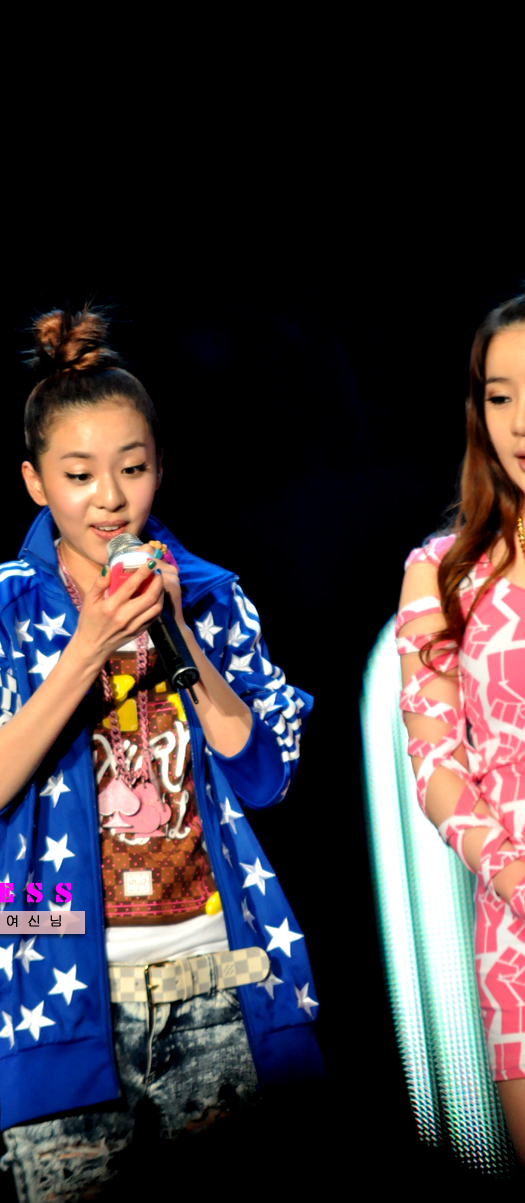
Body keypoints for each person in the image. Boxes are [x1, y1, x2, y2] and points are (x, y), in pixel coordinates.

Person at [0, 306, 323, 1200]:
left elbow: (264, 774)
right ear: (34, 482)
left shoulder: (210, 596)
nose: (109, 497)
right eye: (78, 474)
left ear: (159, 467)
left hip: (222, 982)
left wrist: (180, 632)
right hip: (62, 1001)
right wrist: (87, 643)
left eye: (131, 468)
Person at [397, 292, 525, 1166]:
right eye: (499, 395)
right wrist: (514, 877)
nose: (518, 422)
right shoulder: (442, 572)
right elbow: (434, 761)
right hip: (517, 928)